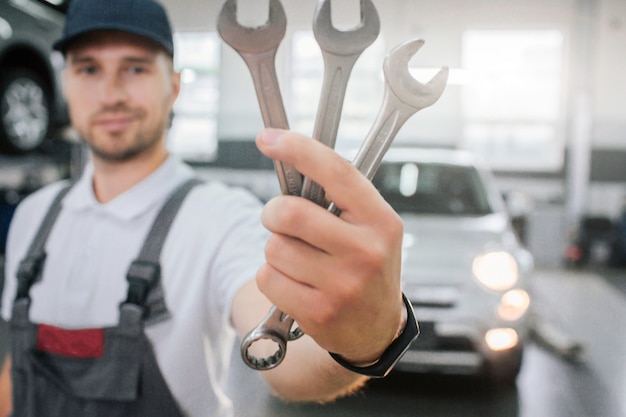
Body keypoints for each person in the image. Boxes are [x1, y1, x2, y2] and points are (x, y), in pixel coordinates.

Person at [0, 0, 416, 416]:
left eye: (136, 68)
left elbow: (291, 367)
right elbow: (17, 372)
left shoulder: (222, 217)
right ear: (67, 82)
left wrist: (364, 340)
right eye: (89, 69)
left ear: (175, 86)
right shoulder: (33, 217)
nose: (110, 93)